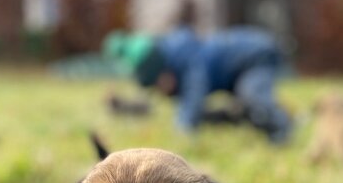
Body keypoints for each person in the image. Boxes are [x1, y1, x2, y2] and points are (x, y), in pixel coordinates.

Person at [105, 26, 294, 145]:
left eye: (158, 83)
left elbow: (194, 96)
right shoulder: (177, 62)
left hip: (254, 56)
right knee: (241, 108)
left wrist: (184, 127)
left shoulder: (190, 62)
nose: (161, 90)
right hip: (236, 74)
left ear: (164, 70)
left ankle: (283, 127)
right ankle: (264, 123)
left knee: (252, 95)